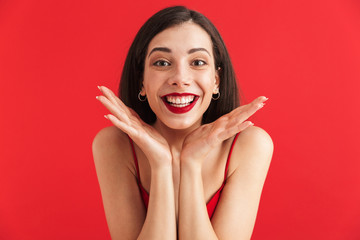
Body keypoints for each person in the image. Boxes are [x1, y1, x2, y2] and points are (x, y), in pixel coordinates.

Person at [92, 6, 273, 240]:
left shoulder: (250, 144)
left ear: (216, 80)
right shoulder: (114, 145)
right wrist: (161, 165)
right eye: (162, 63)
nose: (180, 78)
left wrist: (190, 163)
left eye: (197, 62)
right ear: (142, 82)